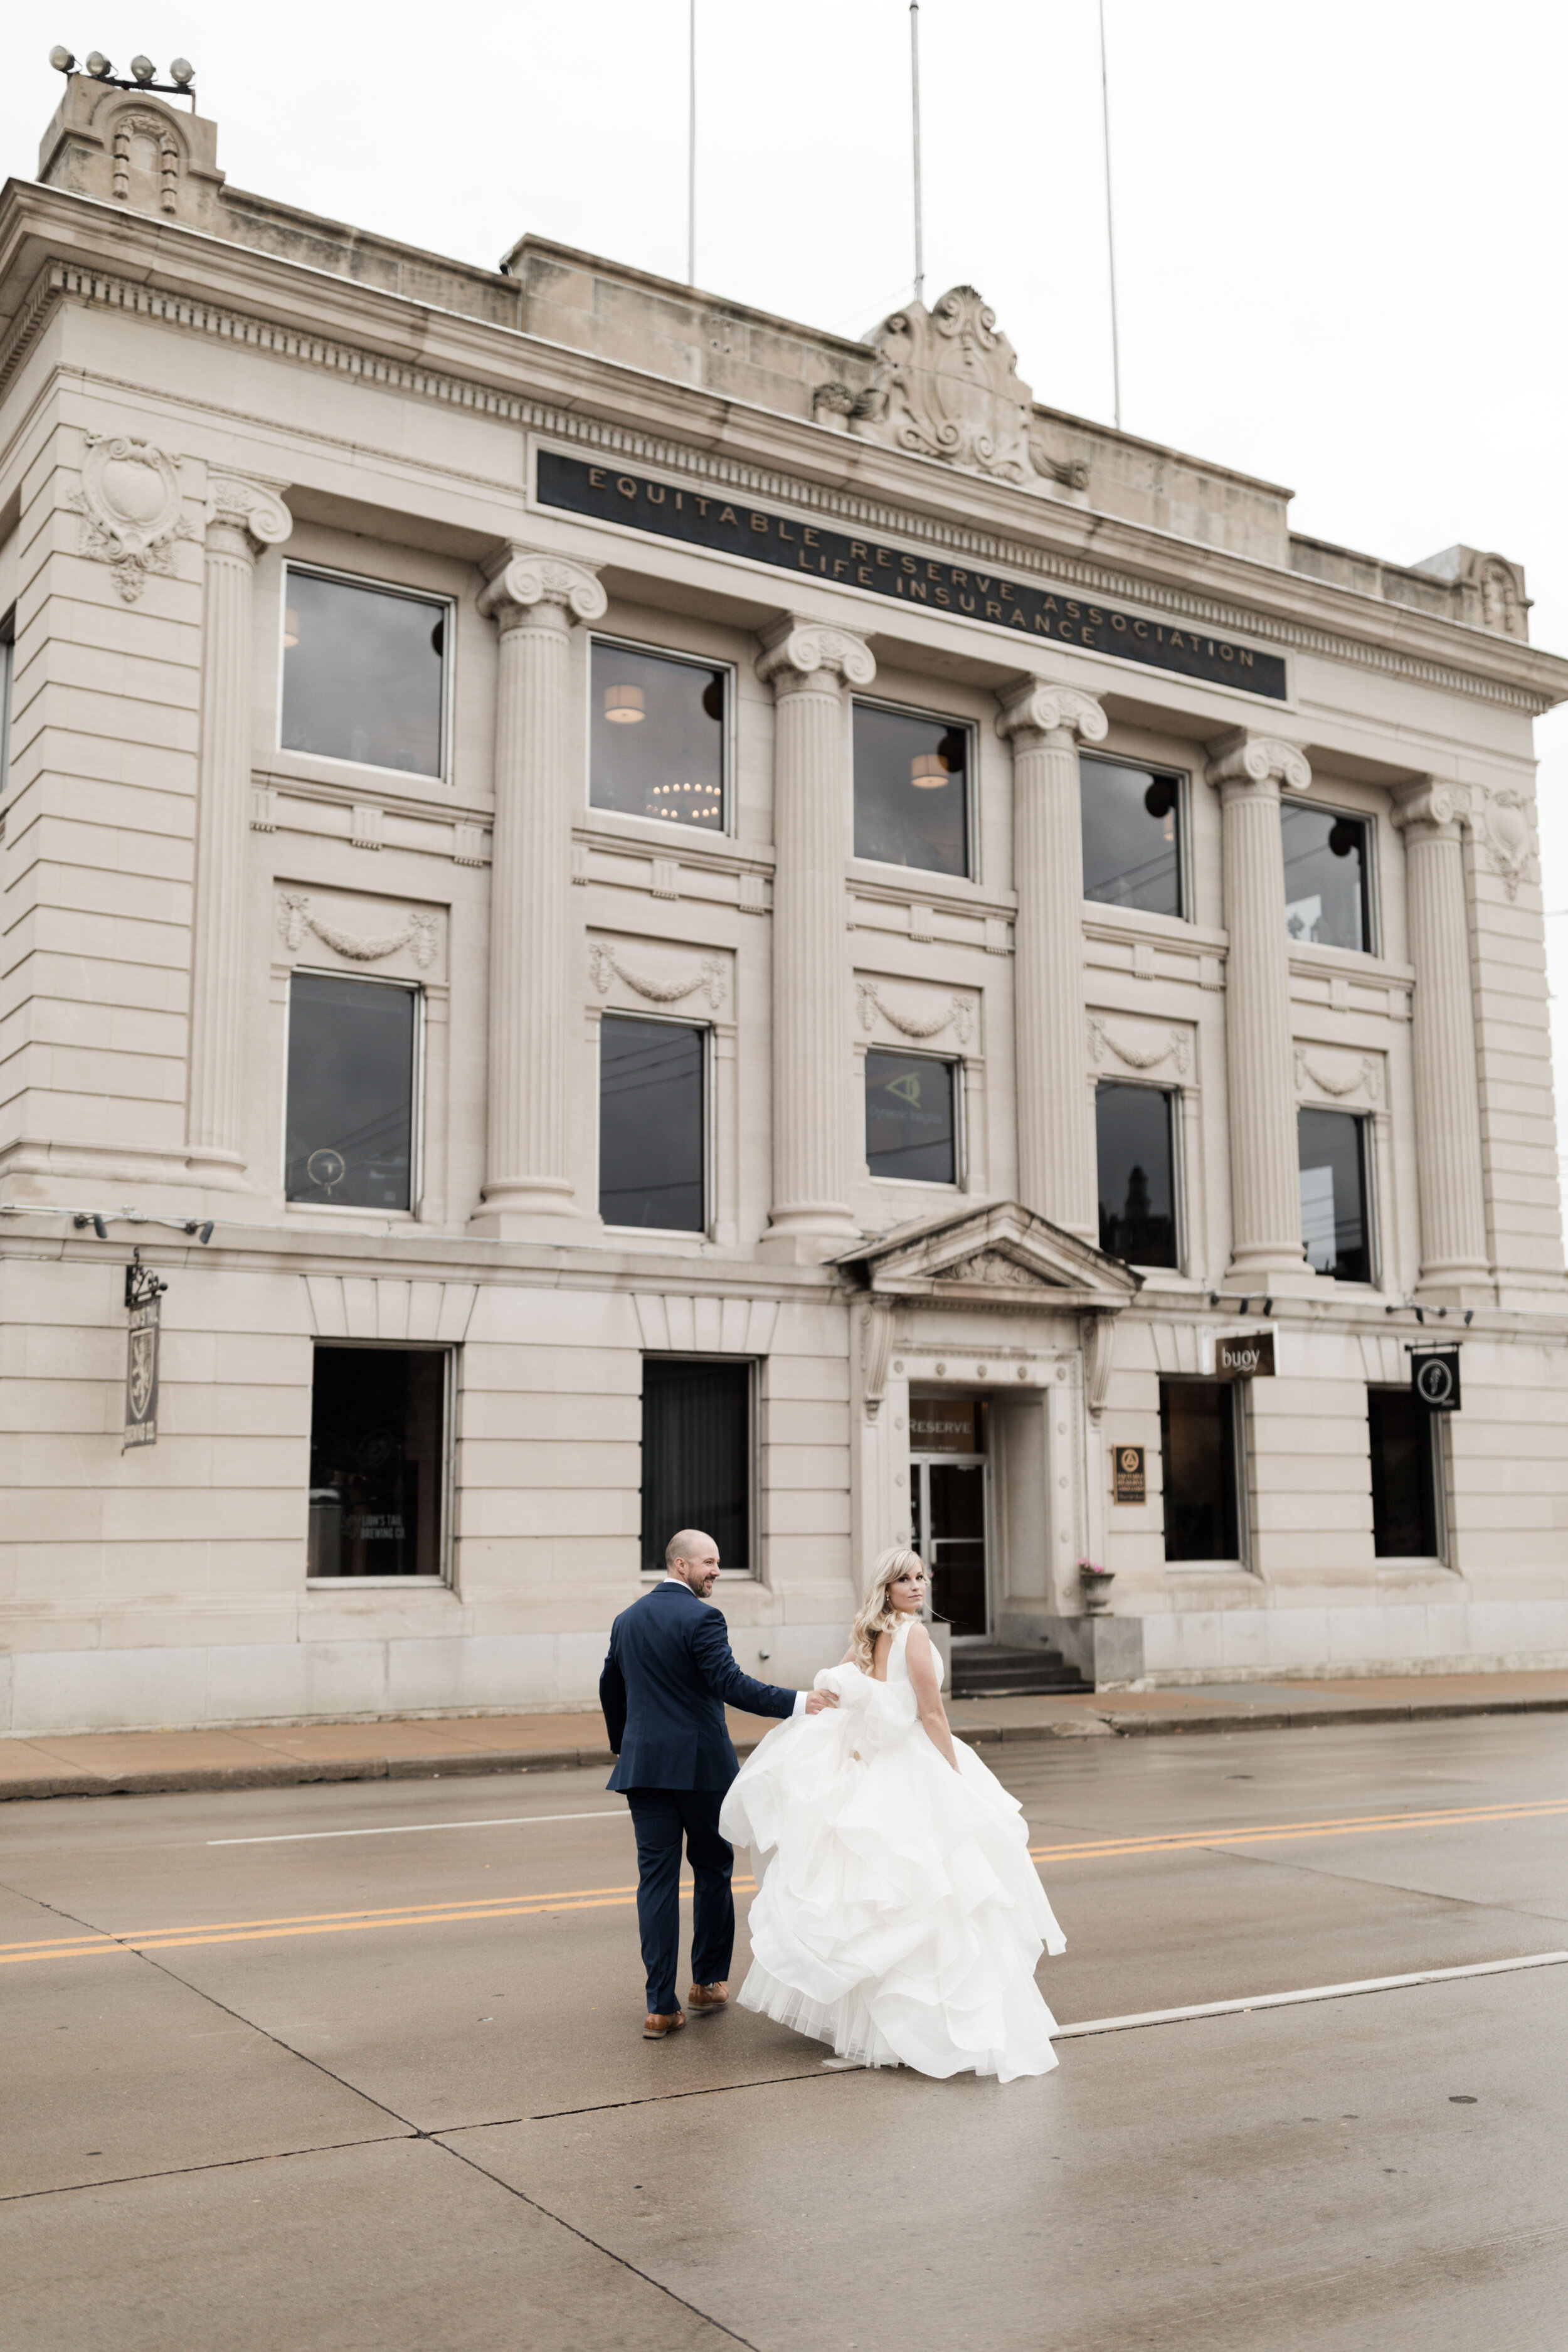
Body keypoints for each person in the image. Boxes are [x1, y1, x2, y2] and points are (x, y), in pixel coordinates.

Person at [719, 1546, 1066, 2082]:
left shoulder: (869, 1632)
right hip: (910, 1760)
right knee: (932, 1894)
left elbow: (847, 1687)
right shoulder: (912, 1634)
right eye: (906, 1579)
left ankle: (880, 2029)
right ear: (887, 1586)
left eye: (922, 1576)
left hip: (879, 1761)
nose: (918, 1586)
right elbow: (930, 1712)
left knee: (883, 1896)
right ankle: (923, 2027)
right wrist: (955, 1775)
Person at [600, 1527, 839, 2040]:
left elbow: (610, 1686)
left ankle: (659, 2007)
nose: (716, 1571)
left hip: (643, 1771)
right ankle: (707, 1983)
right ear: (680, 1565)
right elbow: (729, 1683)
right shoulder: (703, 1617)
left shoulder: (627, 1619)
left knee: (656, 1882)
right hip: (701, 1769)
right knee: (712, 1868)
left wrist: (626, 1743)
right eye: (708, 1562)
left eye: (718, 1562)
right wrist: (799, 1702)